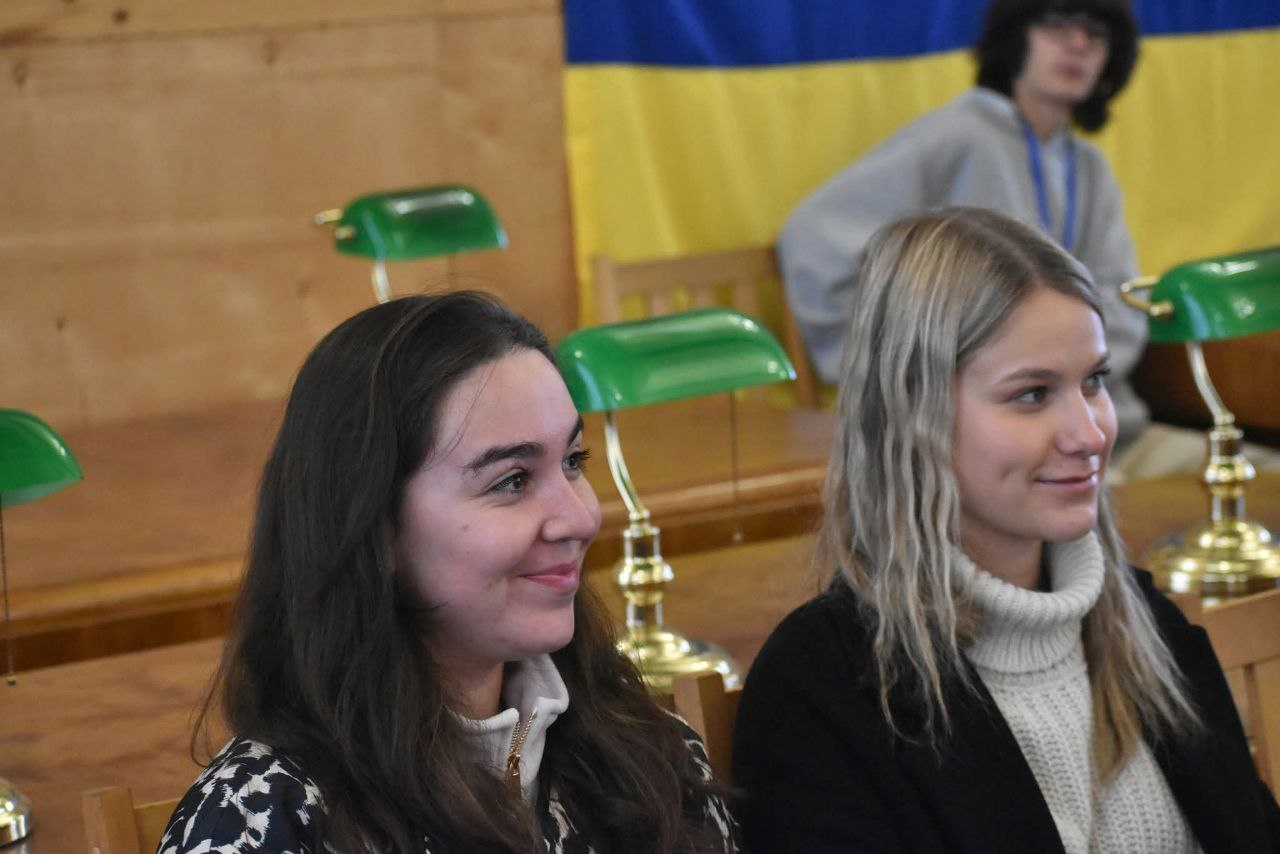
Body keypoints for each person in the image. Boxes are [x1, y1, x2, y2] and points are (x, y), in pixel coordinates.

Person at [733, 209, 1280, 853]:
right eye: (1032, 394)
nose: (1089, 434)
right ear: (913, 413)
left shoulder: (1149, 625)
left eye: (1094, 382)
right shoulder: (818, 693)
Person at [158, 292, 737, 853]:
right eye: (512, 480)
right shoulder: (261, 823)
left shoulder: (648, 753)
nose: (581, 517)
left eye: (572, 461)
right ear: (373, 527)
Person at [778, 0, 1176, 477]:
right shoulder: (955, 137)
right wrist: (906, 382)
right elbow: (814, 238)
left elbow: (1121, 300)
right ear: (1015, 36)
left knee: (1241, 470)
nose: (1078, 44)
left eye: (1097, 32)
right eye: (1057, 23)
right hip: (982, 440)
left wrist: (1075, 377)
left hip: (1103, 423)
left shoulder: (1089, 167)